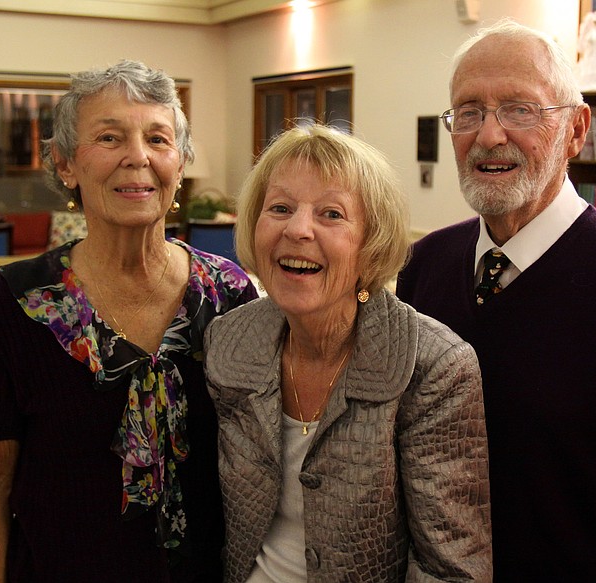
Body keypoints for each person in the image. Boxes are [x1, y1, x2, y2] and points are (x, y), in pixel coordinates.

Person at [396, 20, 596, 581]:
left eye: (520, 110)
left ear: (576, 130)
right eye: (468, 112)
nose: (489, 135)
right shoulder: (425, 266)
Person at [0, 60, 257, 582]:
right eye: (110, 137)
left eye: (158, 139)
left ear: (180, 162)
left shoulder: (229, 294)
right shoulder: (14, 303)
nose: (137, 157)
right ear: (66, 163)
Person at [203, 123, 492, 582]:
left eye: (331, 214)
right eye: (279, 207)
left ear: (369, 246)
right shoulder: (229, 341)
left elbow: (451, 568)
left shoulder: (434, 365)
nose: (298, 229)